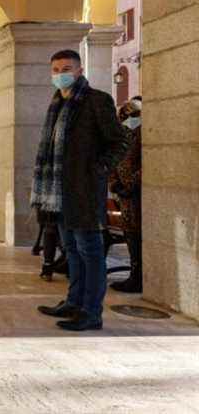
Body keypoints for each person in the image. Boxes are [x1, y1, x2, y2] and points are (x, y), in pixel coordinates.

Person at [34, 49, 128, 331]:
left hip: (84, 191)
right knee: (72, 252)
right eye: (55, 70)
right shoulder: (57, 104)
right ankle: (74, 302)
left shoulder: (96, 101)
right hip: (59, 193)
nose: (60, 74)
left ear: (79, 70)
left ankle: (91, 312)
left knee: (91, 252)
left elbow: (119, 141)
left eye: (66, 68)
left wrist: (98, 169)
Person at [109, 96, 143, 293]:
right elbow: (113, 159)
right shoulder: (121, 135)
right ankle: (134, 274)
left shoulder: (144, 134)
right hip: (124, 195)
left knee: (138, 234)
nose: (129, 117)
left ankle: (138, 277)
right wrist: (115, 184)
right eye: (127, 114)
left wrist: (130, 184)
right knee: (130, 233)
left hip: (137, 193)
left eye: (134, 114)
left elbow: (147, 163)